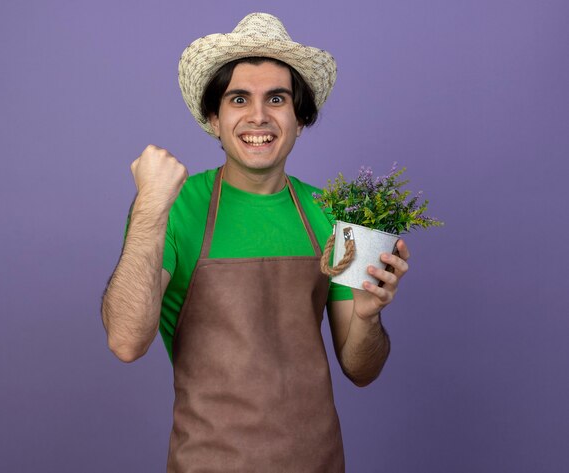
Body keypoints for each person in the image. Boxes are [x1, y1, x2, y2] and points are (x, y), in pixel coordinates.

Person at [102, 12, 410, 472]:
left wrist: (367, 316)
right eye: (239, 98)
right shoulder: (175, 207)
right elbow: (126, 341)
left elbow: (361, 370)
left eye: (277, 99)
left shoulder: (330, 213)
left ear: (300, 118)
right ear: (214, 117)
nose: (258, 116)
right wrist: (149, 205)